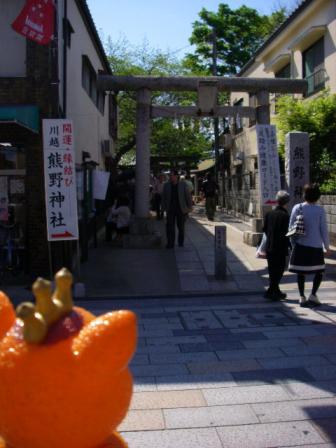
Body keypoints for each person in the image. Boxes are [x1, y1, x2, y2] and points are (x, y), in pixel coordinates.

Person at [288, 183, 331, 307]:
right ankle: (313, 295)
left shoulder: (298, 207)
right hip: (316, 246)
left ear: (304, 195)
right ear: (318, 196)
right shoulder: (320, 210)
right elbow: (323, 229)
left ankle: (302, 296)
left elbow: (291, 228)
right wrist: (326, 247)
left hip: (301, 245)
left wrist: (293, 244)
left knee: (301, 272)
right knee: (319, 271)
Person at [263, 190, 291, 301]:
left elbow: (264, 229)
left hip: (270, 246)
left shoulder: (269, 214)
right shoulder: (285, 215)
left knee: (272, 269)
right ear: (286, 202)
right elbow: (288, 232)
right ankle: (271, 290)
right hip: (281, 246)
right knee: (280, 268)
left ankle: (274, 290)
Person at [161, 169, 192, 248]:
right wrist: (163, 208)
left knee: (181, 227)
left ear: (176, 176)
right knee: (169, 227)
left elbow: (187, 196)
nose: (170, 177)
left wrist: (189, 207)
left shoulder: (183, 184)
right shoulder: (166, 185)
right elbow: (163, 197)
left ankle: (180, 241)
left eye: (172, 175)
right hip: (170, 209)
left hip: (180, 209)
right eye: (170, 176)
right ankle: (170, 243)